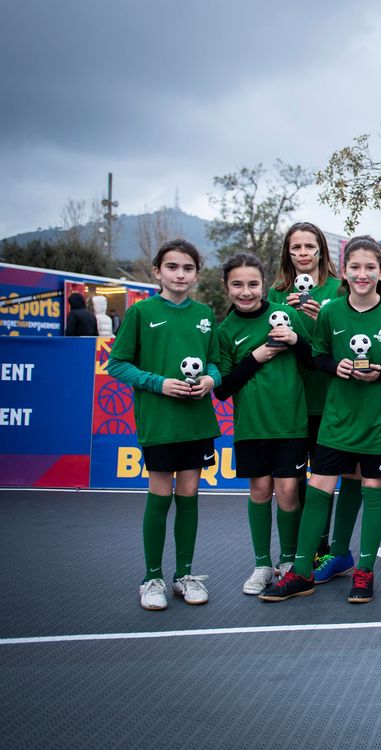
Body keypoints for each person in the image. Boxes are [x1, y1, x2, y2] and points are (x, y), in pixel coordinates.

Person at [259, 236, 381, 605]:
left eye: (370, 267)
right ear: (344, 272)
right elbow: (317, 356)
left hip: (380, 423)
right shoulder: (331, 311)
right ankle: (302, 572)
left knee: (373, 488)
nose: (362, 274)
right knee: (319, 486)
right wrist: (337, 367)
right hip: (337, 421)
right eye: (355, 267)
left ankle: (364, 571)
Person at [108, 239, 219, 611]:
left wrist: (211, 379)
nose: (180, 274)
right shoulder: (141, 313)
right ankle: (151, 578)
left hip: (197, 421)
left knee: (189, 493)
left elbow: (215, 362)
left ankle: (184, 575)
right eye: (172, 267)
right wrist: (158, 383)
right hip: (159, 422)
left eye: (188, 268)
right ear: (157, 271)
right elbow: (117, 364)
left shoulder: (204, 313)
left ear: (196, 274)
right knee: (159, 494)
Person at [213, 253, 307, 595]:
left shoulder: (287, 315)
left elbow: (314, 358)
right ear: (226, 286)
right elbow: (222, 388)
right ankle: (262, 565)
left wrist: (296, 341)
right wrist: (256, 357)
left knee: (288, 491)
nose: (246, 291)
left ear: (263, 284)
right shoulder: (225, 331)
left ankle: (289, 561)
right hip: (252, 426)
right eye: (237, 284)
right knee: (260, 492)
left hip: (291, 424)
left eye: (253, 284)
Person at [268, 222, 342, 560]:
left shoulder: (339, 290)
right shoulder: (276, 293)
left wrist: (317, 320)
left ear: (321, 251)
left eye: (309, 246)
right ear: (287, 252)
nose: (302, 253)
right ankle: (295, 552)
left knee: (322, 482)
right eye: (295, 247)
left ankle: (320, 547)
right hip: (290, 402)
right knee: (291, 482)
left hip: (328, 401)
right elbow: (269, 343)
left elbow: (345, 343)